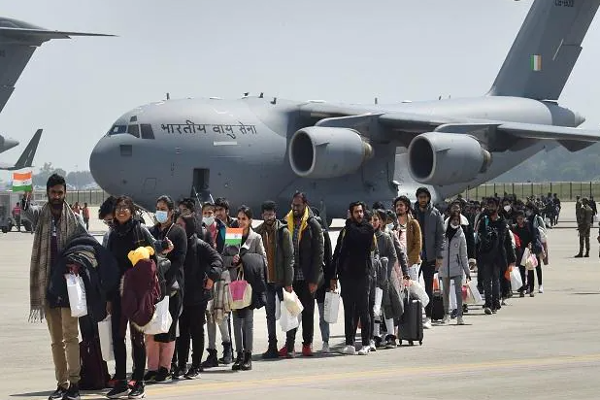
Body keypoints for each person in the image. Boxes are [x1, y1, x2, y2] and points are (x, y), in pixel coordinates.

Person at [22, 174, 86, 400]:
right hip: (48, 286)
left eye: (60, 192)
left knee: (71, 336)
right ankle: (61, 384)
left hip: (69, 285)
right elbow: (27, 211)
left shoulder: (76, 218)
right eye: (53, 193)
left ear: (65, 193)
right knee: (56, 340)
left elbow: (86, 245)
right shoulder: (42, 215)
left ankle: (75, 384)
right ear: (48, 193)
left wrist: (78, 263)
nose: (56, 196)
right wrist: (25, 198)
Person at [105, 196, 173, 399]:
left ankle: (139, 382)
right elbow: (109, 267)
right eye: (118, 208)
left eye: (125, 208)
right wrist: (109, 298)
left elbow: (155, 249)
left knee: (137, 339)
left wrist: (165, 245)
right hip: (118, 293)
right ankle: (121, 381)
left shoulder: (140, 230)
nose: (122, 211)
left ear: (132, 211)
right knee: (118, 337)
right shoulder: (112, 235)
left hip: (137, 293)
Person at [173, 214, 222, 379]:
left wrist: (211, 278)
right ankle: (181, 365)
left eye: (181, 224)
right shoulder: (175, 244)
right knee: (182, 333)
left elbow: (217, 260)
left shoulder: (200, 245)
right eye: (177, 224)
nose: (178, 227)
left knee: (196, 331)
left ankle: (194, 367)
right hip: (180, 295)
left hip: (197, 296)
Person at [146, 195, 188, 383]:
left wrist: (163, 256)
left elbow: (179, 260)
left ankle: (165, 367)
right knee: (151, 329)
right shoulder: (151, 231)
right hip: (151, 288)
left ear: (171, 212)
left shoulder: (178, 232)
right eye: (158, 208)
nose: (160, 212)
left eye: (163, 209)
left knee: (167, 329)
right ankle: (152, 367)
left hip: (171, 287)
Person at [280, 192, 324, 357]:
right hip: (291, 275)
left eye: (298, 205)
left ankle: (307, 344)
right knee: (291, 311)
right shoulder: (286, 222)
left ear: (305, 205)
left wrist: (314, 279)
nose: (295, 208)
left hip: (307, 276)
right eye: (293, 205)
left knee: (307, 312)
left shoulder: (313, 225)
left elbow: (319, 254)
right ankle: (289, 345)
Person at [331, 201, 376, 356]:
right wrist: (333, 275)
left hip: (363, 275)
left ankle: (366, 343)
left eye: (361, 211)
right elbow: (338, 253)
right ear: (350, 212)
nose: (359, 214)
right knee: (348, 310)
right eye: (356, 212)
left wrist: (349, 223)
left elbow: (359, 241)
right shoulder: (345, 230)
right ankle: (349, 343)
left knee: (364, 310)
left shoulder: (367, 229)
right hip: (347, 276)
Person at [254, 201, 294, 359]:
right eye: (266, 214)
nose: (269, 217)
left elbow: (289, 258)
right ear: (262, 215)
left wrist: (289, 282)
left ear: (275, 215)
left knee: (288, 313)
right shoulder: (258, 233)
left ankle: (290, 346)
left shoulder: (283, 232)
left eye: (271, 214)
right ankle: (272, 346)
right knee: (269, 315)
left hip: (282, 280)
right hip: (267, 282)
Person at [229, 205, 267, 371]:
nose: (241, 221)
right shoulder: (232, 234)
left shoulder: (256, 237)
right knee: (236, 320)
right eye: (239, 218)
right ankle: (239, 355)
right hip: (235, 282)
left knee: (248, 321)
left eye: (244, 218)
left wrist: (246, 259)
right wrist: (232, 259)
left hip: (249, 283)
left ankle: (248, 355)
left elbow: (263, 260)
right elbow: (223, 256)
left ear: (250, 220)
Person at [476, 197, 516, 315]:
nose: (490, 208)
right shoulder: (483, 221)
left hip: (498, 256)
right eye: (489, 205)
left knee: (496, 280)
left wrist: (512, 259)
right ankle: (488, 304)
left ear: (497, 207)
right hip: (486, 256)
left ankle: (495, 303)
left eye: (493, 205)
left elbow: (507, 241)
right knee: (487, 281)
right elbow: (478, 238)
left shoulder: (502, 222)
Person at [413, 187, 445, 328]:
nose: (423, 199)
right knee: (412, 286)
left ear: (429, 198)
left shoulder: (435, 213)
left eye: (425, 197)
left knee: (428, 286)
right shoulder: (412, 213)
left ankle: (428, 316)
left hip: (430, 256)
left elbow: (441, 236)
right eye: (420, 197)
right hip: (415, 256)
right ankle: (412, 315)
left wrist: (439, 255)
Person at [439, 212, 471, 325]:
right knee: (445, 292)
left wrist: (467, 270)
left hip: (456, 267)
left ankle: (459, 315)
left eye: (457, 220)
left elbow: (464, 254)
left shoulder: (461, 235)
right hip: (444, 267)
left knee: (458, 292)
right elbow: (439, 249)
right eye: (454, 219)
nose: (455, 221)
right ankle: (446, 314)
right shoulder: (443, 234)